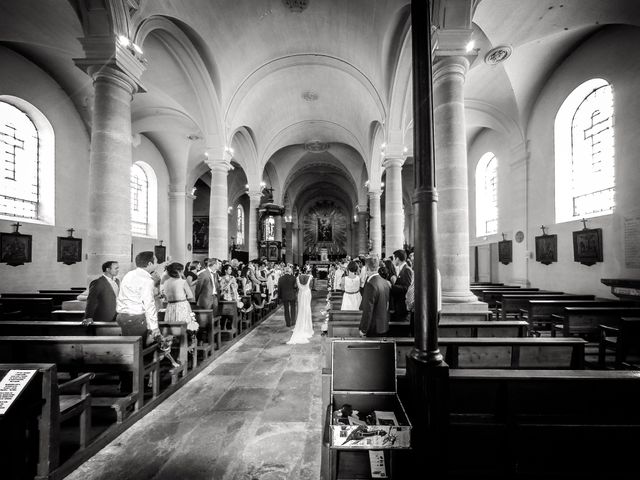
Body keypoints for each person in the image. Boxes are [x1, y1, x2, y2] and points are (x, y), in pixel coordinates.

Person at [116, 251, 161, 344]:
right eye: (156, 262)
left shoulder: (129, 274)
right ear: (149, 263)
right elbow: (149, 304)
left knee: (130, 347)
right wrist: (154, 327)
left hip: (122, 316)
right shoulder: (146, 280)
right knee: (138, 349)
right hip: (135, 318)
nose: (157, 264)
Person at [359, 256, 391, 337]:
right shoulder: (385, 282)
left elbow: (368, 310)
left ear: (367, 268)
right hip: (384, 326)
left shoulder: (370, 284)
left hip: (374, 328)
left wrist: (363, 329)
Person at [286, 273, 314, 344]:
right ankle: (307, 328)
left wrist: (300, 287)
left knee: (300, 309)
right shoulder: (310, 277)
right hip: (307, 293)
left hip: (301, 294)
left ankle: (300, 325)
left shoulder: (298, 278)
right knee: (307, 308)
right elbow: (311, 286)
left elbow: (295, 286)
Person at [391, 249, 413, 323]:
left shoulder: (406, 270)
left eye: (394, 258)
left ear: (397, 259)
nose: (393, 261)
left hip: (402, 305)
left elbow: (407, 288)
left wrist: (391, 286)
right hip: (398, 304)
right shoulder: (402, 269)